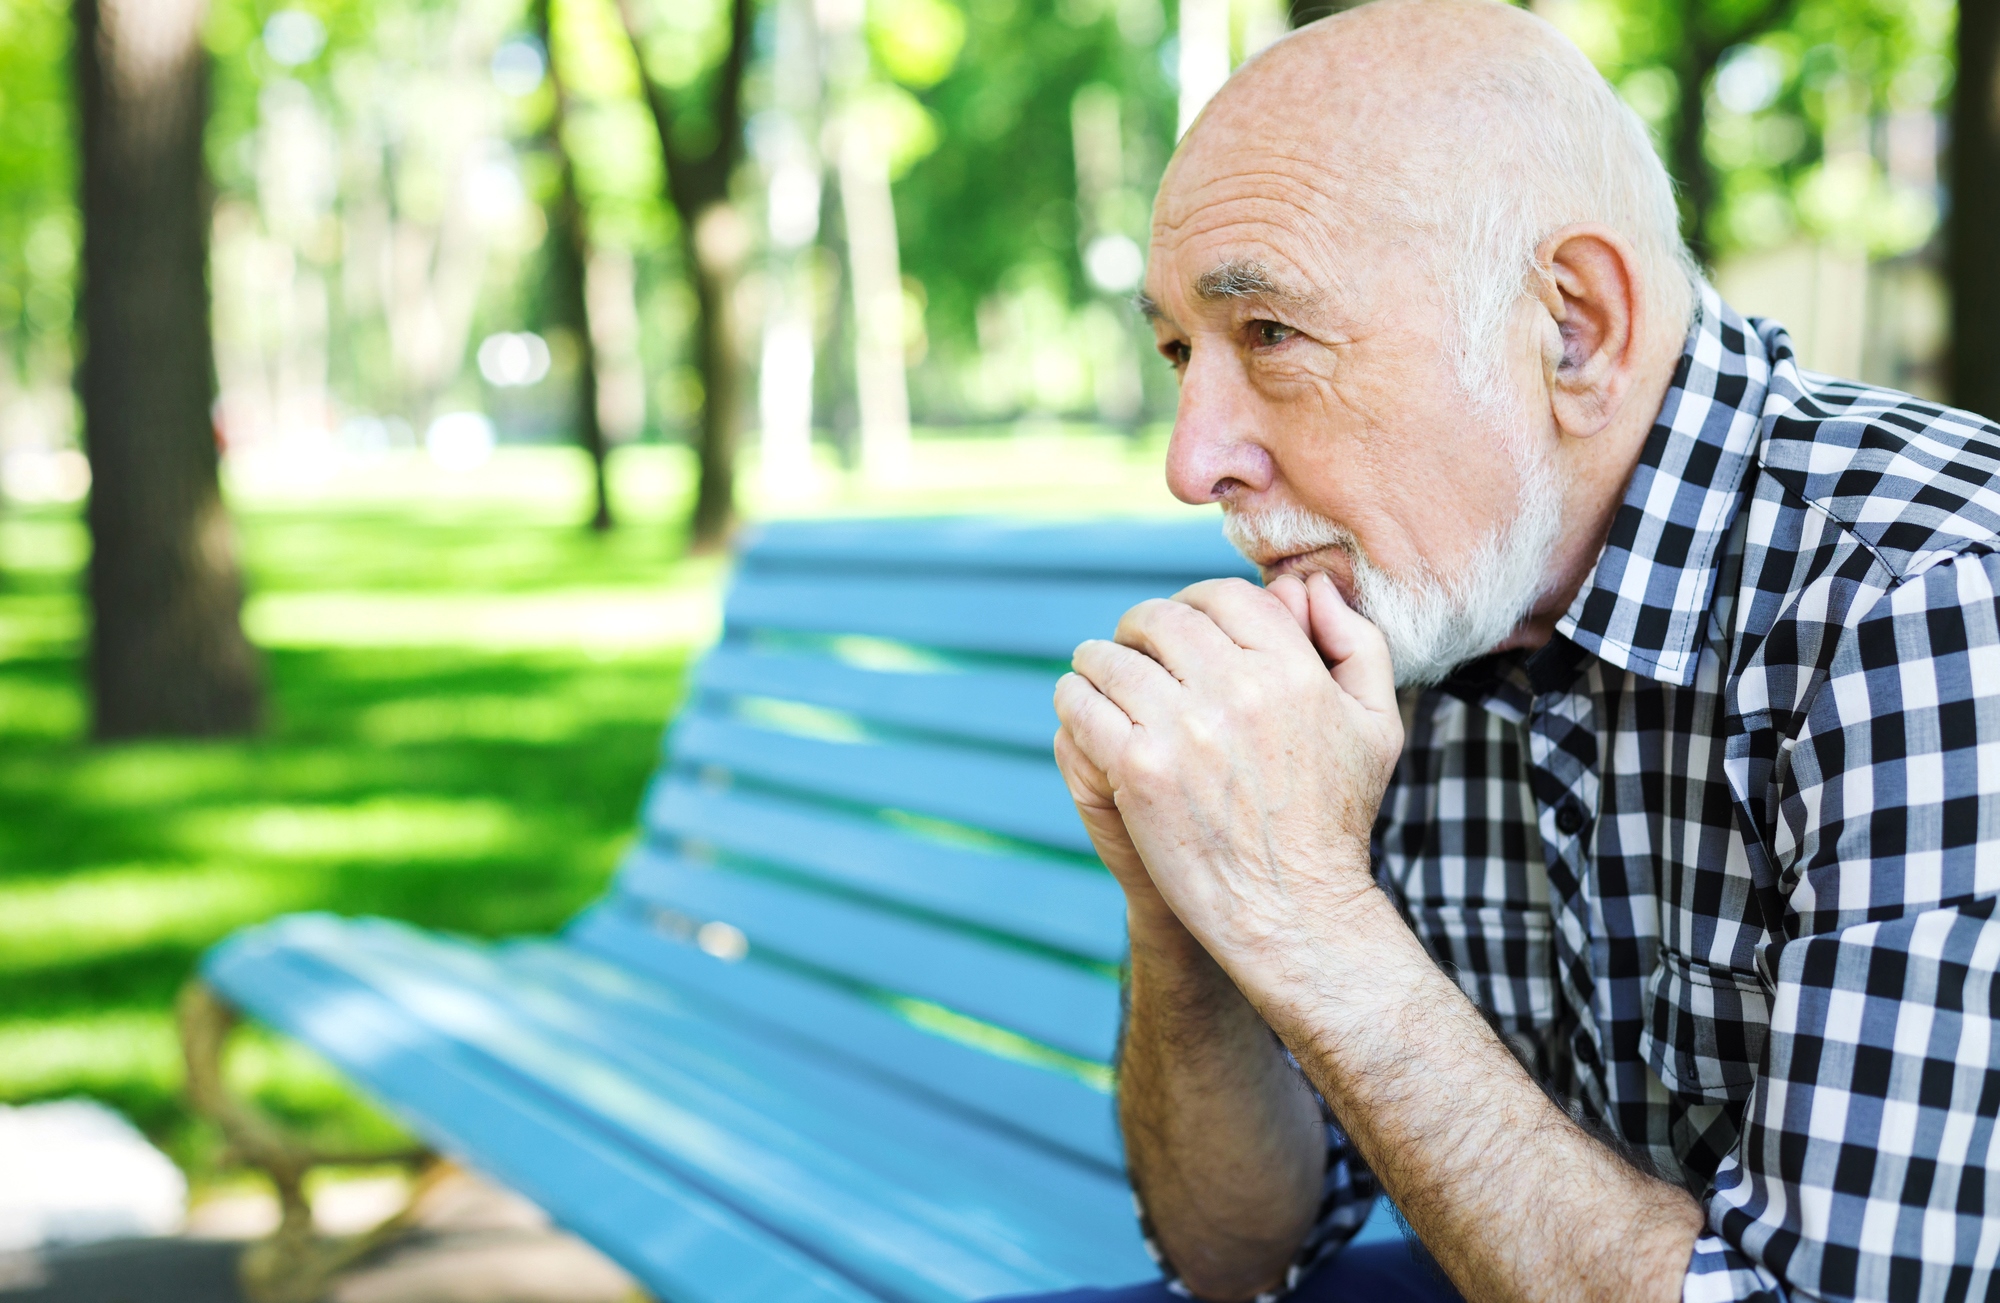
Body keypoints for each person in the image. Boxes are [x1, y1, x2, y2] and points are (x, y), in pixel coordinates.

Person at [1033, 2, 2000, 1301]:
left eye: (1269, 334)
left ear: (1572, 327)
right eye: (1176, 352)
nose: (1191, 459)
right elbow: (1236, 1254)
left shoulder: (1930, 601)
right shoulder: (1422, 596)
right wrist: (1189, 899)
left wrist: (1311, 915)